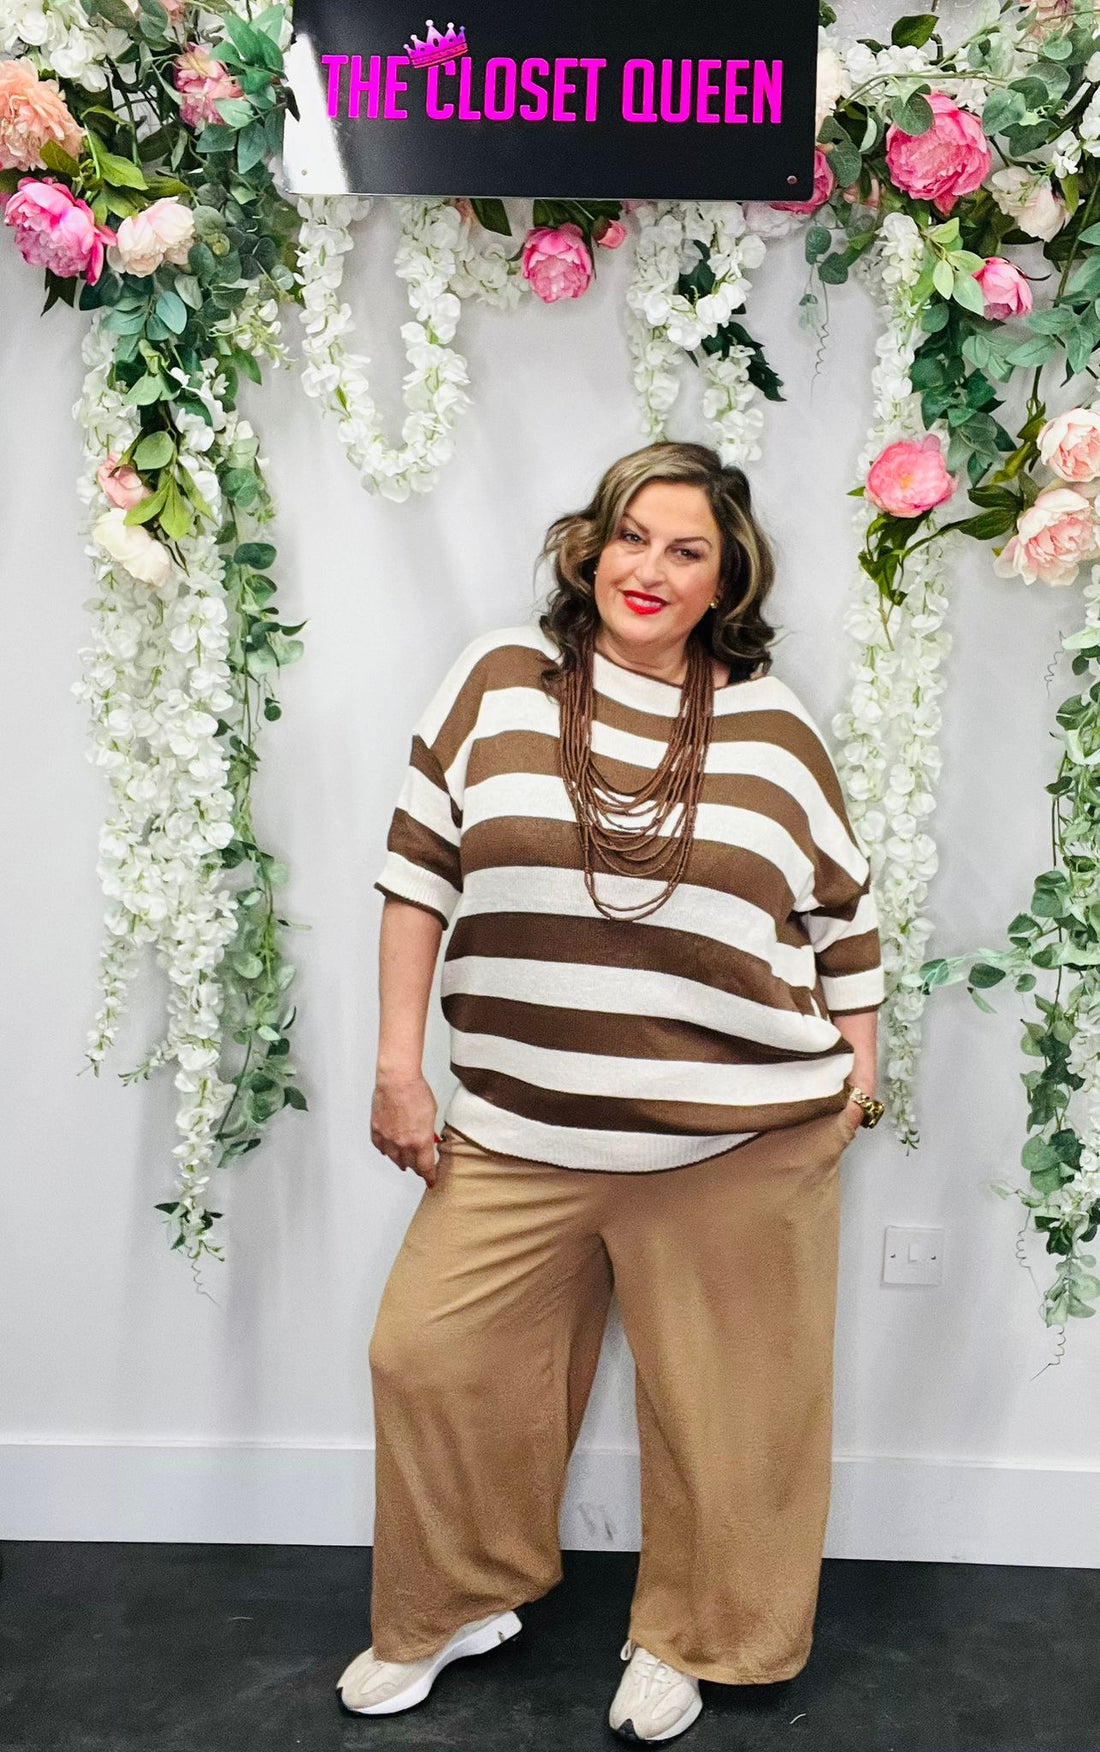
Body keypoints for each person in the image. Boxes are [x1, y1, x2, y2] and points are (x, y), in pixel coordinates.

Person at [337, 439, 886, 1742]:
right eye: (633, 536)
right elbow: (418, 876)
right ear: (590, 547)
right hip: (520, 1129)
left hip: (737, 1139)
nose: (652, 568)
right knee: (426, 1354)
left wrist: (858, 1076)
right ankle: (458, 1599)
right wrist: (399, 1067)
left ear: (724, 583)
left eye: (688, 551)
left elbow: (843, 915)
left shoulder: (772, 725)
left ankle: (689, 1636)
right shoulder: (496, 681)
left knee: (728, 1412)